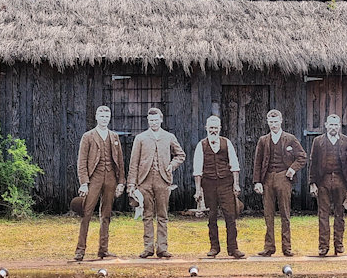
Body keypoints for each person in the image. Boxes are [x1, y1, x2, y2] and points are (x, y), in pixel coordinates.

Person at [127, 107, 186, 258]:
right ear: (148, 121)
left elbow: (181, 155)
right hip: (144, 181)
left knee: (162, 215)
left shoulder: (169, 136)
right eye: (151, 120)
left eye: (156, 120)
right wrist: (131, 185)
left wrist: (172, 165)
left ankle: (162, 248)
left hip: (163, 180)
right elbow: (133, 163)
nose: (153, 123)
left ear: (161, 119)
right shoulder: (140, 138)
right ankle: (148, 248)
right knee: (147, 215)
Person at [74, 105, 127, 261]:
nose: (104, 119)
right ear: (96, 117)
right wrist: (84, 182)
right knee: (86, 213)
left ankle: (103, 250)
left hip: (111, 178)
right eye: (101, 116)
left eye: (107, 116)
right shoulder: (88, 136)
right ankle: (80, 250)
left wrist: (120, 183)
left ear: (109, 118)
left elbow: (120, 162)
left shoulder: (114, 137)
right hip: (94, 179)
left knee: (106, 214)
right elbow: (82, 161)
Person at [252, 109, 306, 257]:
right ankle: (269, 247)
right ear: (267, 122)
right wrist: (257, 181)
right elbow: (257, 162)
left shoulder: (290, 139)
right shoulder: (263, 140)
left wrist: (292, 169)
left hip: (284, 178)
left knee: (285, 213)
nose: (273, 125)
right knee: (268, 214)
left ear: (281, 121)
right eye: (271, 122)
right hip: (268, 178)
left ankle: (287, 247)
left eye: (276, 122)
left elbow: (302, 157)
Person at [192, 115, 245, 259]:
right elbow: (197, 170)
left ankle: (233, 248)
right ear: (206, 128)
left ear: (220, 128)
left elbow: (234, 166)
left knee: (230, 216)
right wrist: (198, 190)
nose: (213, 130)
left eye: (216, 128)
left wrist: (236, 184)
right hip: (208, 185)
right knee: (212, 217)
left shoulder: (226, 143)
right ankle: (214, 247)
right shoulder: (201, 145)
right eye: (211, 128)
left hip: (225, 184)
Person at [308, 114, 347, 256]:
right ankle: (323, 246)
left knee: (340, 213)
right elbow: (313, 164)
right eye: (331, 125)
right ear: (325, 125)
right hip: (323, 181)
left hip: (341, 181)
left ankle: (339, 244)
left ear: (339, 126)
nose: (333, 128)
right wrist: (312, 183)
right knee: (323, 214)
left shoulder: (346, 141)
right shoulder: (318, 142)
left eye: (336, 125)